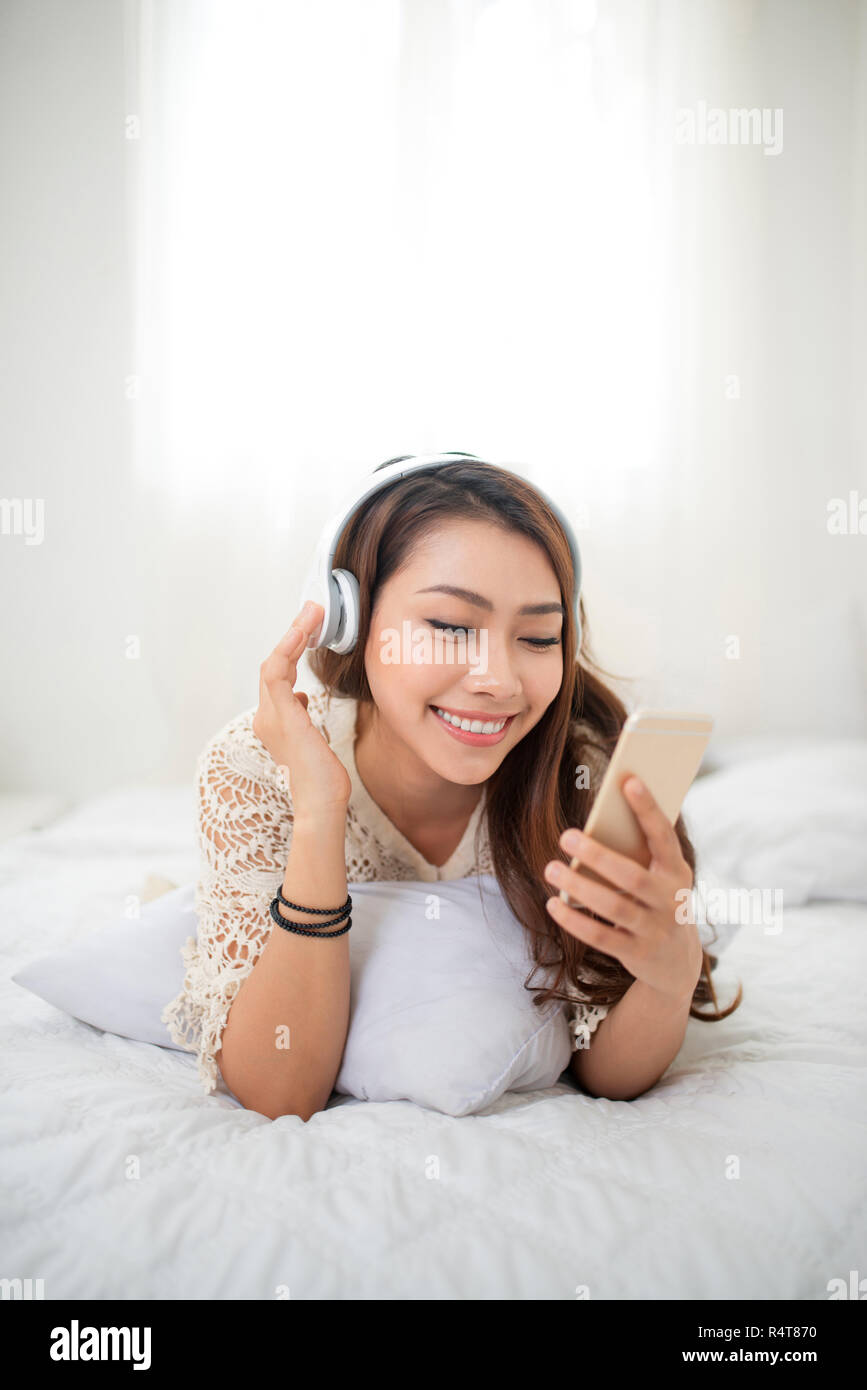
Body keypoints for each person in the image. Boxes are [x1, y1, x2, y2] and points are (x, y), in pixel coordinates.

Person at [161, 456, 740, 1119]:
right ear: (349, 621)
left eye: (536, 636)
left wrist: (667, 975)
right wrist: (319, 811)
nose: (498, 679)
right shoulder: (255, 765)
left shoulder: (580, 776)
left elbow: (604, 1073)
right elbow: (278, 1090)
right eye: (447, 626)